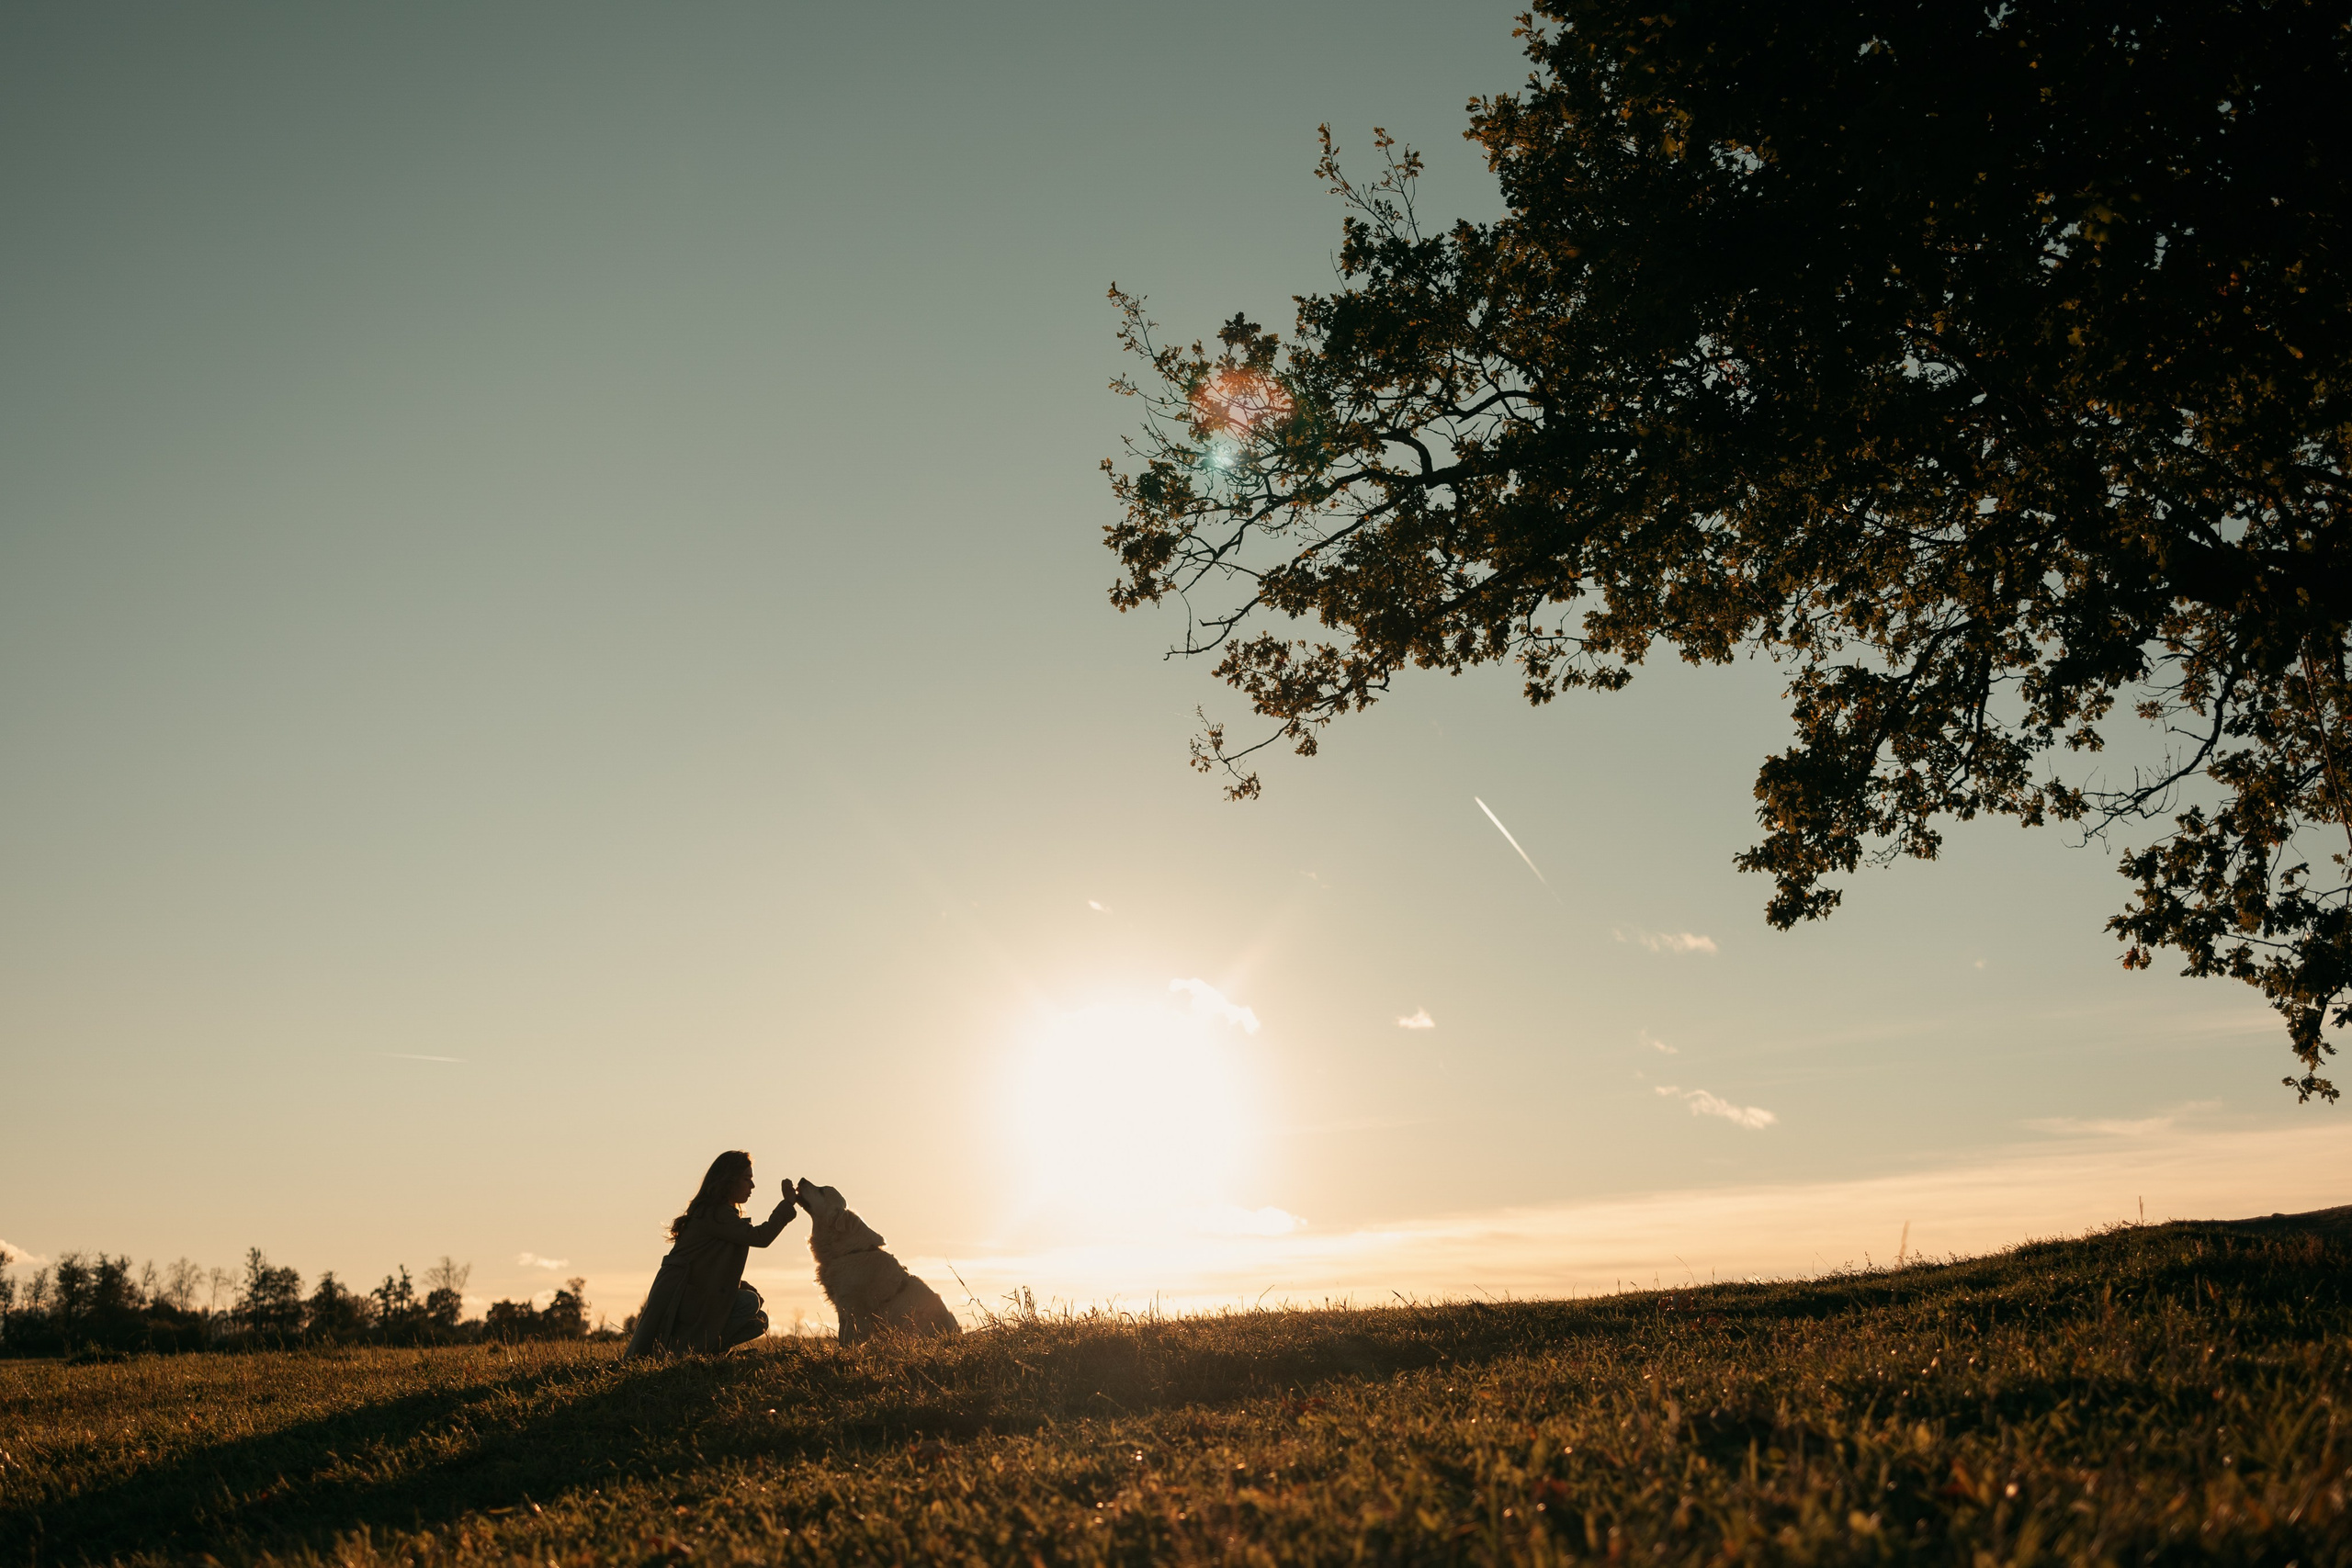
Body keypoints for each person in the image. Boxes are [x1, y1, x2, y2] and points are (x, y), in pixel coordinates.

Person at [622, 1149, 796, 1358]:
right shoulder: (715, 1213)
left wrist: (736, 1284)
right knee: (749, 1303)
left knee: (759, 1321)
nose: (752, 1186)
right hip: (683, 1298)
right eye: (747, 1179)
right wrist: (787, 1204)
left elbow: (709, 1266)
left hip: (695, 1297)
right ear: (729, 1180)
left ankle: (706, 1352)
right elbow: (760, 1237)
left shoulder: (717, 1212)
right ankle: (685, 1352)